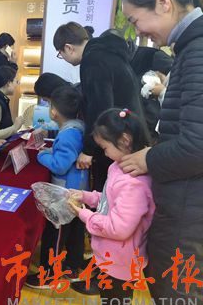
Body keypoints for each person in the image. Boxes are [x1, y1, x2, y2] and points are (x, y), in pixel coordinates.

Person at [119, 0, 203, 305]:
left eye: (136, 19)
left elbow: (197, 145)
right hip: (186, 205)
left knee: (178, 295)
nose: (138, 31)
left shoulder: (197, 51)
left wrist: (148, 158)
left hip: (188, 214)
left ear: (163, 2)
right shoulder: (189, 49)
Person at [69, 108, 155, 305]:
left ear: (124, 140)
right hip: (110, 255)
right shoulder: (118, 166)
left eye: (105, 147)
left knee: (115, 303)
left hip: (122, 263)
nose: (104, 153)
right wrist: (86, 196)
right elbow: (109, 201)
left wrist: (84, 215)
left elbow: (119, 227)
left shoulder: (134, 182)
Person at [53, 22, 144, 192]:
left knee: (111, 192)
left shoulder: (93, 60)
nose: (63, 58)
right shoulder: (107, 53)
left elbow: (99, 107)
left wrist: (89, 150)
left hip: (115, 139)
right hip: (129, 133)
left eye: (60, 54)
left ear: (68, 48)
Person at [25, 86, 89, 290]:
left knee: (56, 233)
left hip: (65, 194)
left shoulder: (69, 134)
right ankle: (72, 266)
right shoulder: (77, 127)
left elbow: (60, 165)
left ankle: (48, 274)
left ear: (53, 111)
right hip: (77, 191)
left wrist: (43, 154)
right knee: (75, 232)